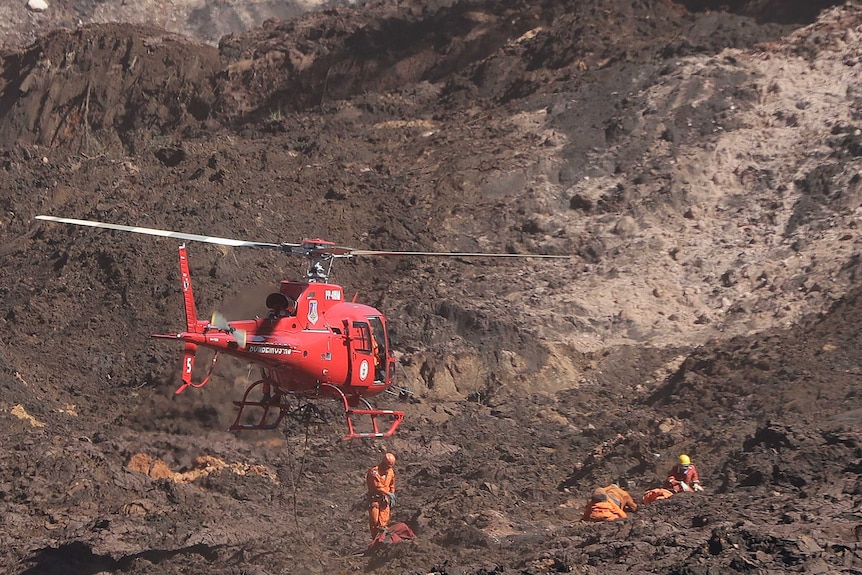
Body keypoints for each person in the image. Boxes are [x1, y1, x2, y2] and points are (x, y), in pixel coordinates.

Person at [367, 452, 397, 538]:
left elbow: (392, 484)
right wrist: (389, 494)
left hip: (384, 499)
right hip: (375, 499)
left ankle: (382, 539)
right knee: (374, 520)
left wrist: (392, 494)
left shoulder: (390, 472)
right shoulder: (375, 472)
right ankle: (374, 538)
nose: (388, 468)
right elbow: (377, 487)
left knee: (383, 522)